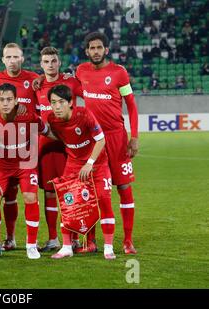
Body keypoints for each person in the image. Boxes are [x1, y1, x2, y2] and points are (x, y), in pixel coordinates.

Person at [76, 32, 138, 254]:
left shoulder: (119, 72)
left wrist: (135, 137)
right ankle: (91, 241)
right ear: (86, 51)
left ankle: (128, 240)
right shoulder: (81, 71)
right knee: (91, 190)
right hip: (92, 140)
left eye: (99, 47)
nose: (95, 51)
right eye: (92, 48)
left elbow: (131, 105)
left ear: (106, 50)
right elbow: (70, 90)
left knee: (123, 187)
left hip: (117, 138)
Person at [45, 85, 116, 260]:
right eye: (53, 102)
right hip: (73, 163)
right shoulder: (52, 119)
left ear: (70, 103)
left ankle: (108, 247)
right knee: (68, 204)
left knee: (104, 200)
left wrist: (90, 163)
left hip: (97, 164)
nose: (57, 106)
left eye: (61, 102)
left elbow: (101, 140)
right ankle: (67, 247)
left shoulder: (84, 114)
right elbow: (59, 136)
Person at [0, 83, 51, 260]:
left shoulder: (29, 117)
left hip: (26, 164)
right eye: (2, 99)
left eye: (9, 99)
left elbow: (47, 131)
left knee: (30, 197)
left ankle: (31, 245)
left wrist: (70, 141)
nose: (5, 103)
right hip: (2, 165)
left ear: (16, 101)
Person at [0, 43, 39, 251]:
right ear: (3, 60)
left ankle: (45, 240)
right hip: (3, 150)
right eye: (8, 57)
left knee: (35, 194)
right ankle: (8, 238)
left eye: (16, 57)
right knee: (5, 196)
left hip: (29, 148)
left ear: (22, 58)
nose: (12, 60)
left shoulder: (35, 78)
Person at [34, 46, 83, 252]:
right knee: (49, 193)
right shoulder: (37, 85)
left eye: (54, 61)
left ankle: (73, 237)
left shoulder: (70, 82)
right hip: (45, 147)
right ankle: (53, 238)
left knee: (70, 192)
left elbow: (88, 96)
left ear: (59, 62)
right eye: (46, 61)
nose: (50, 65)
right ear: (41, 64)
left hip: (68, 147)